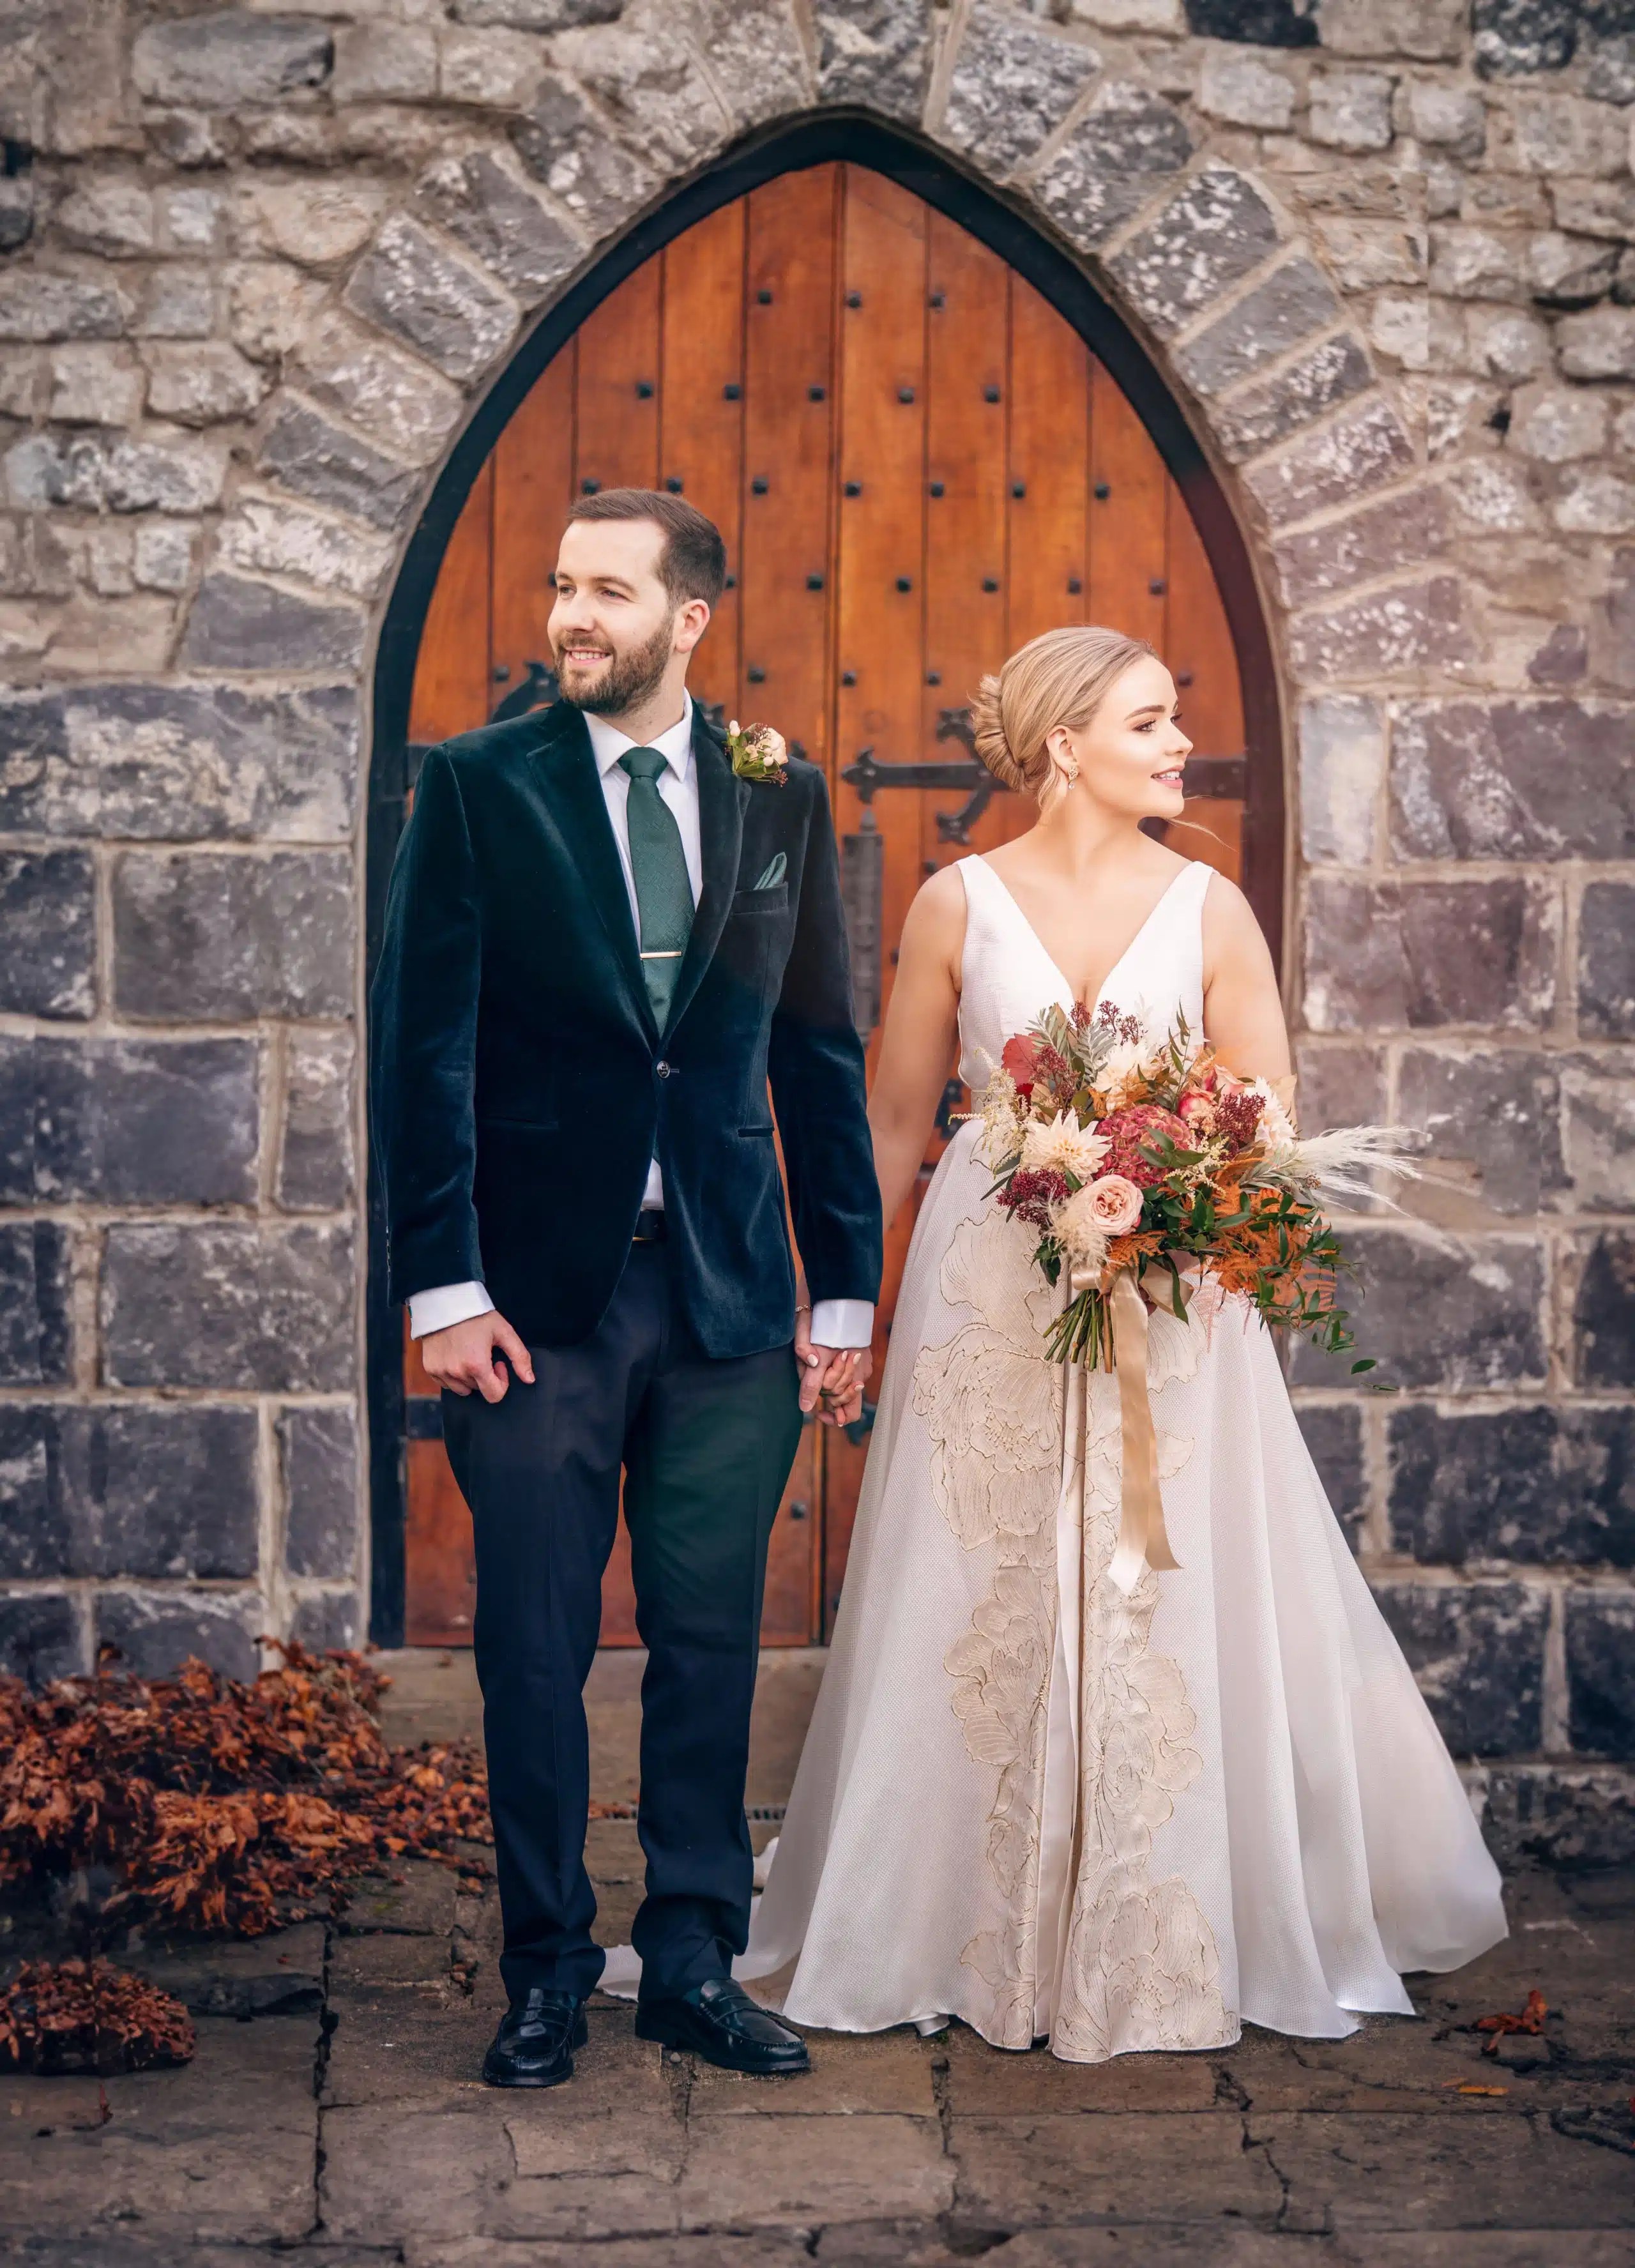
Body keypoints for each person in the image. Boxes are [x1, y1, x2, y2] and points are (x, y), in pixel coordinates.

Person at [733, 625, 1507, 2059]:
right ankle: (948, 1912)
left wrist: (1186, 1203)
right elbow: (897, 1123)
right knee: (976, 1579)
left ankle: (1157, 1914)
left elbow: (1264, 1117)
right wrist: (840, 1306)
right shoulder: (952, 904)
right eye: (1147, 722)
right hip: (991, 1290)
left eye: (1175, 722)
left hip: (1170, 1289)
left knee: (1159, 1587)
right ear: (1059, 746)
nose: (1175, 746)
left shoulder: (1208, 907)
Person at [369, 488, 882, 2087]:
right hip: (533, 1304)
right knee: (530, 1648)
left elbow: (814, 1050)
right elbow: (421, 1054)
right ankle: (541, 1970)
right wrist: (441, 1288)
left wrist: (845, 1290)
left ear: (690, 619)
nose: (571, 618)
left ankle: (688, 1960)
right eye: (560, 589)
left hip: (728, 1296)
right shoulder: (471, 787)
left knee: (710, 1640)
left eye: (607, 592)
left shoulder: (774, 788)